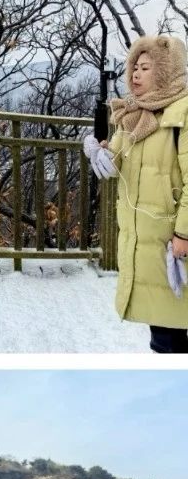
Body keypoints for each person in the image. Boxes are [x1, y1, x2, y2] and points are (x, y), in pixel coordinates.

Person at [82, 35, 188, 353]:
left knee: (171, 331)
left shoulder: (182, 114)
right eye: (135, 67)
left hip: (174, 242)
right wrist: (98, 153)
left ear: (167, 71)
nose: (136, 74)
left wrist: (184, 234)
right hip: (147, 242)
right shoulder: (133, 113)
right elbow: (116, 165)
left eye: (146, 67)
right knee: (164, 329)